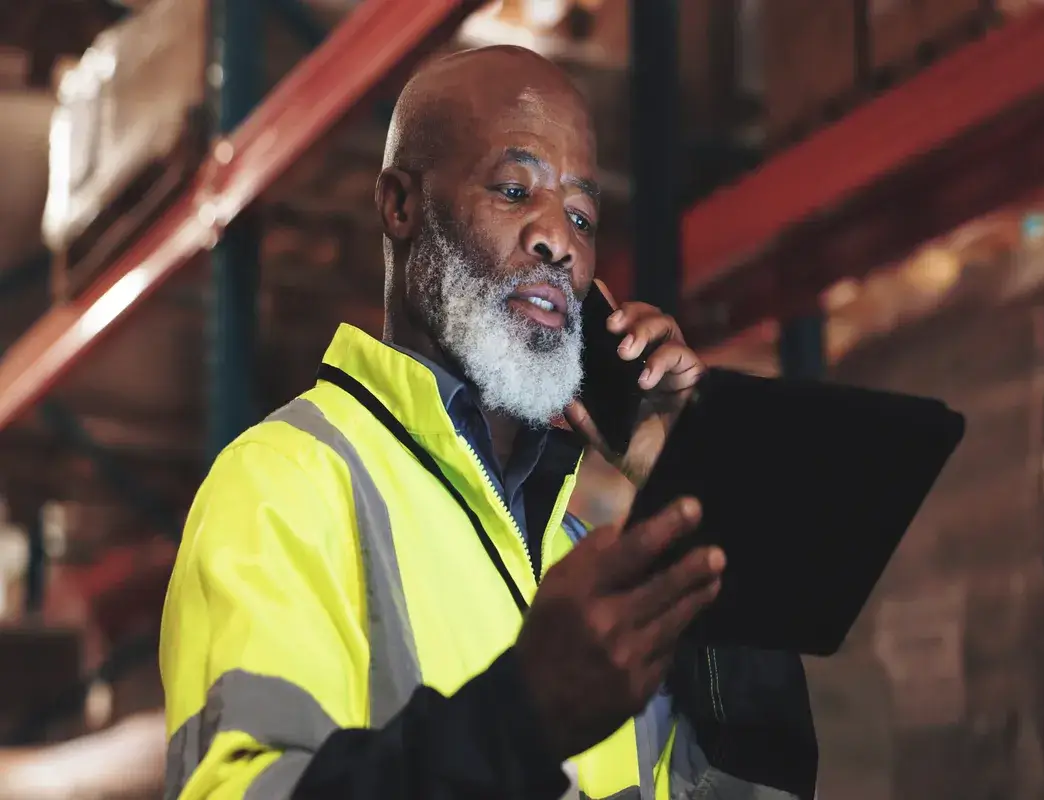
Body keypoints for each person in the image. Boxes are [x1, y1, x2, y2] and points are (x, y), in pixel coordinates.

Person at [160, 45, 816, 799]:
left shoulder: (588, 567)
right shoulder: (284, 486)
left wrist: (698, 483)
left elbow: (755, 787)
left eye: (582, 217)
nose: (558, 241)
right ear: (400, 205)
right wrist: (521, 721)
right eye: (513, 190)